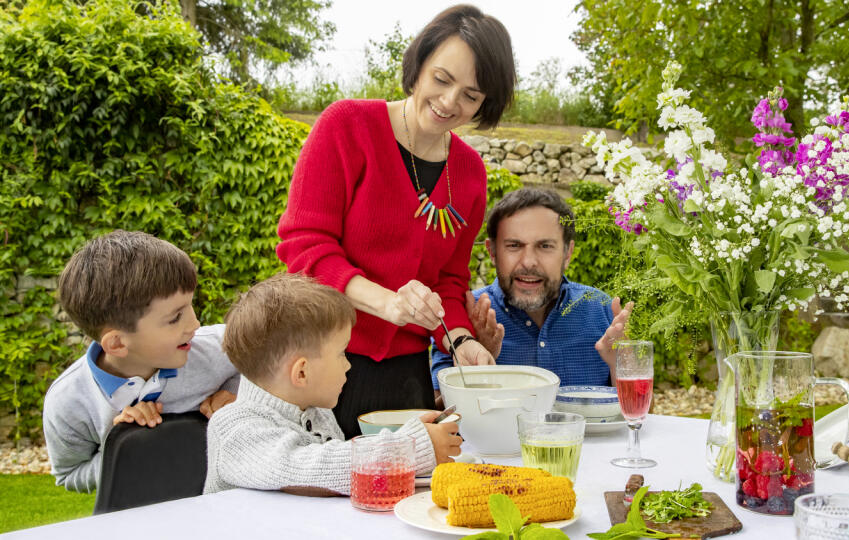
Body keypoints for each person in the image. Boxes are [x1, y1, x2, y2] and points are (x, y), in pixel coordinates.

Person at [276, 4, 516, 438]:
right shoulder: (346, 127)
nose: (449, 102)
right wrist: (386, 303)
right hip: (315, 363)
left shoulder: (470, 173)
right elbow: (305, 249)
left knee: (409, 500)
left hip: (406, 378)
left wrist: (461, 342)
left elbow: (449, 279)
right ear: (419, 64)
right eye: (442, 79)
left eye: (471, 96)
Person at [204, 273, 461, 495]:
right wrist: (410, 448)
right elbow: (307, 468)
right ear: (301, 373)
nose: (348, 365)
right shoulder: (233, 429)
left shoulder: (317, 413)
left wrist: (411, 436)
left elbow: (340, 464)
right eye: (342, 353)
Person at [43, 230, 239, 493]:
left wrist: (237, 394)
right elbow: (69, 474)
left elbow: (274, 360)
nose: (195, 324)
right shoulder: (68, 401)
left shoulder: (216, 348)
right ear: (117, 343)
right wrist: (126, 445)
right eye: (174, 318)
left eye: (190, 306)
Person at [431, 188, 634, 388]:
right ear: (492, 252)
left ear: (567, 253)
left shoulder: (602, 310)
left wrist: (623, 366)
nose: (529, 262)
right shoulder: (460, 319)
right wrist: (479, 369)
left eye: (545, 246)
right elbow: (437, 411)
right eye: (514, 246)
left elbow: (642, 413)